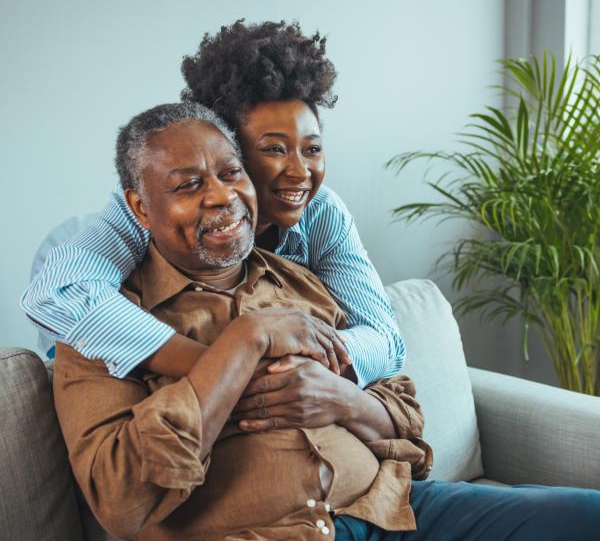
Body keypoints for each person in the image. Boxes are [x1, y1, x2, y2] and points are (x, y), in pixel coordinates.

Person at [54, 102, 600, 541]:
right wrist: (243, 343)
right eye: (189, 184)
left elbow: (405, 417)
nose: (222, 196)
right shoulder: (100, 327)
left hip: (387, 513)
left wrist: (346, 400)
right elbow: (121, 500)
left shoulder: (299, 278)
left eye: (230, 172)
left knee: (586, 522)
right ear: (140, 207)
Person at [22, 20, 403, 389]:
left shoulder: (322, 212)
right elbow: (57, 292)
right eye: (274, 149)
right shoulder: (142, 213)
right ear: (226, 149)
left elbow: (386, 339)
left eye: (313, 149)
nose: (300, 172)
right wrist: (229, 368)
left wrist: (302, 369)